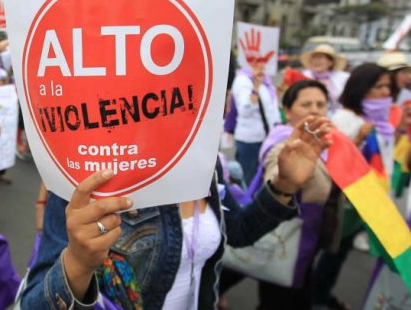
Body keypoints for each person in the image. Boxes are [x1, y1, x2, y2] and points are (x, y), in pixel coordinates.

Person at [20, 116, 333, 309]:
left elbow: (238, 230)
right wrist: (78, 262)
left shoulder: (202, 162)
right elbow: (35, 302)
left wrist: (283, 185)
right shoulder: (91, 178)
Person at [251, 81, 339, 309]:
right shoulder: (283, 145)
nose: (315, 110)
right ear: (288, 111)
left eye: (321, 104)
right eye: (306, 104)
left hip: (308, 242)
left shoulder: (326, 143)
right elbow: (273, 181)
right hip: (284, 244)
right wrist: (285, 181)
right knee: (279, 300)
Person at [314, 63, 394, 310]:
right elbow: (330, 161)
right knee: (331, 252)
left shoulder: (382, 121)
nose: (384, 92)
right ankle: (315, 297)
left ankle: (323, 294)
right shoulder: (344, 119)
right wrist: (358, 139)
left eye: (387, 87)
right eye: (377, 86)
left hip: (368, 200)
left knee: (341, 253)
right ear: (361, 88)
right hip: (345, 201)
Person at [232, 55, 281, 185]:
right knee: (250, 182)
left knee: (264, 181)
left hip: (267, 138)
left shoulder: (267, 81)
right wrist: (256, 87)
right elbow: (245, 110)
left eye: (264, 60)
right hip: (250, 141)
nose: (261, 64)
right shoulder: (243, 80)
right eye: (256, 60)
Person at [298, 44, 350, 113]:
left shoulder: (343, 77)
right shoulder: (303, 75)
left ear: (330, 62)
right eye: (314, 58)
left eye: (320, 58)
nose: (316, 61)